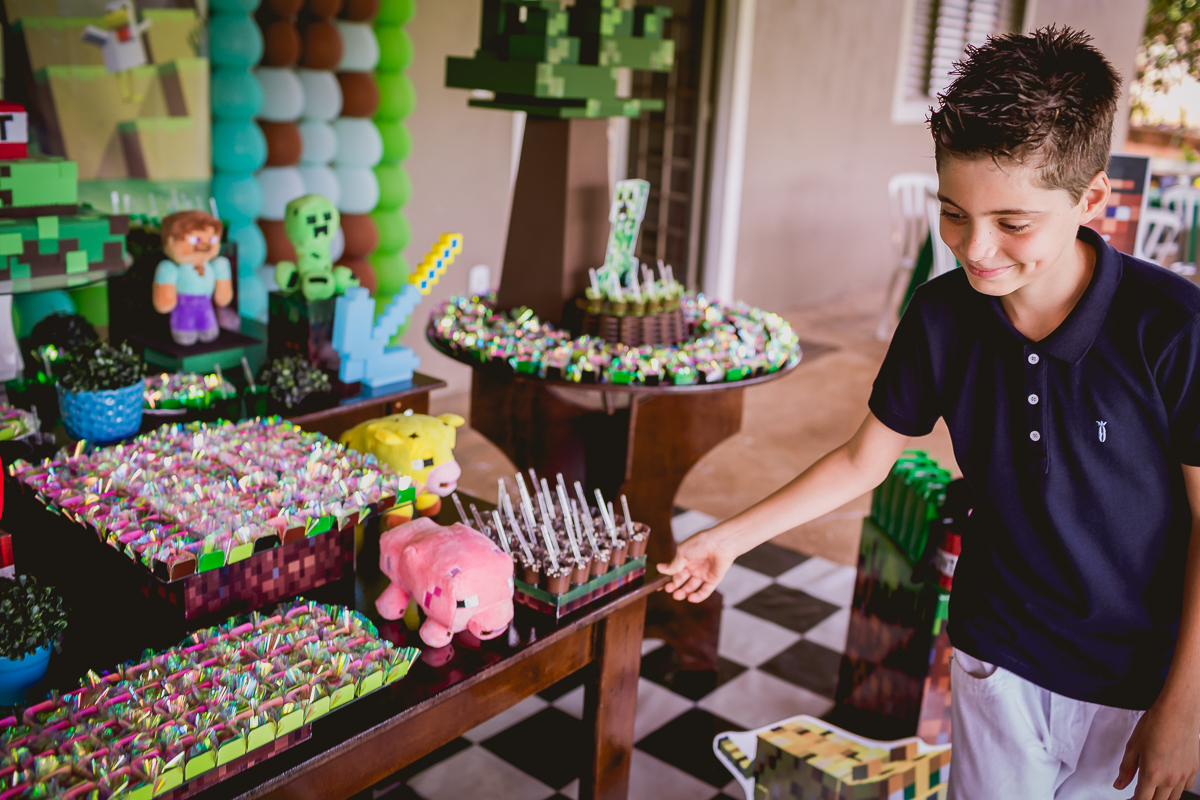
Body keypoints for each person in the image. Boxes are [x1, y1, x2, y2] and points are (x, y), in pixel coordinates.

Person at [661, 27, 1200, 800]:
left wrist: (1184, 705)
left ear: (1090, 199)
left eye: (1013, 223)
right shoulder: (941, 316)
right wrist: (728, 539)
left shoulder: (1173, 329)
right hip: (998, 653)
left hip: (1140, 680)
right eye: (953, 213)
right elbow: (864, 459)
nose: (975, 250)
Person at [152, 210, 233, 346]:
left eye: (212, 239)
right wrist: (165, 300)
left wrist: (223, 294)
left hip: (206, 303)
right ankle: (184, 331)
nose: (205, 245)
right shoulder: (170, 268)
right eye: (196, 239)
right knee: (185, 326)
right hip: (184, 304)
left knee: (208, 324)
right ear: (171, 240)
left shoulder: (216, 265)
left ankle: (207, 329)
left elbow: (223, 291)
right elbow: (164, 298)